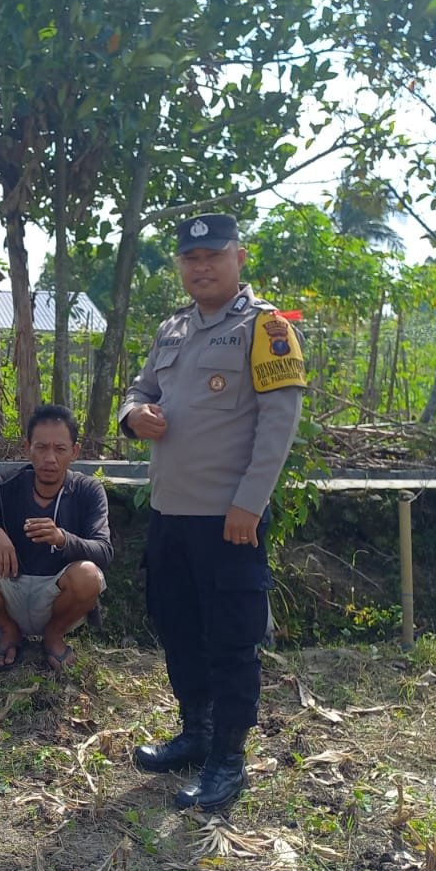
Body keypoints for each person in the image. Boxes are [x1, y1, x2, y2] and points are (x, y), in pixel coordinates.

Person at [119, 213, 306, 813]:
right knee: (178, 629)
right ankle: (195, 732)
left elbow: (279, 424)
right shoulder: (172, 329)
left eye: (213, 256)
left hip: (229, 519)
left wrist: (249, 504)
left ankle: (228, 757)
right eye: (190, 259)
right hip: (169, 513)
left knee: (230, 640)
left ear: (239, 258)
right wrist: (133, 416)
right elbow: (140, 390)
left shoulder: (267, 328)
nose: (201, 268)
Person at [0, 404, 111, 674]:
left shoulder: (88, 490)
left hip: (57, 594)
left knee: (88, 575)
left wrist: (63, 539)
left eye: (60, 449)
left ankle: (53, 636)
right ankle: (9, 630)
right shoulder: (4, 486)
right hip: (9, 589)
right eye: (41, 447)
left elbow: (104, 551)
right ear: (27, 448)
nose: (50, 458)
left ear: (75, 451)